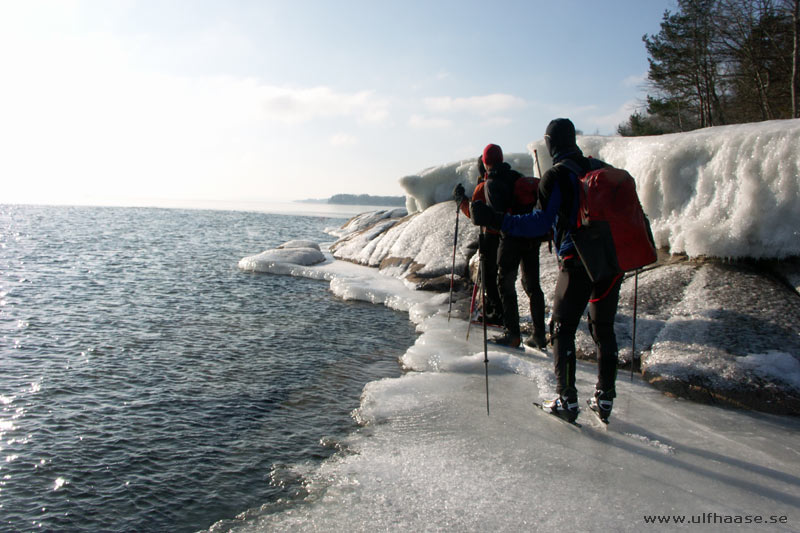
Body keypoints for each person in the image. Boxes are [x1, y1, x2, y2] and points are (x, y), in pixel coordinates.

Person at [470, 119, 621, 423]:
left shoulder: (557, 175)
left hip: (577, 259)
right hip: (611, 259)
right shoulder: (599, 167)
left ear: (550, 143)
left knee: (563, 330)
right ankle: (604, 399)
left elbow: (539, 223)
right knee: (603, 329)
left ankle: (567, 400)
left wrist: (497, 220)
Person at [473, 143, 547, 350]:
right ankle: (539, 335)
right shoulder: (515, 176)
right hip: (530, 237)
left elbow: (500, 219)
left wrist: (483, 215)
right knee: (533, 287)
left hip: (511, 240)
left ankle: (512, 334)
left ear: (485, 162)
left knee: (505, 284)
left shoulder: (492, 182)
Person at [453, 156, 503, 326]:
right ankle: (498, 309)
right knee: (500, 276)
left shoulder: (484, 186)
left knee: (488, 276)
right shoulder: (510, 179)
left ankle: (497, 313)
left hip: (491, 235)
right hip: (509, 235)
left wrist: (461, 201)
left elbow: (475, 214)